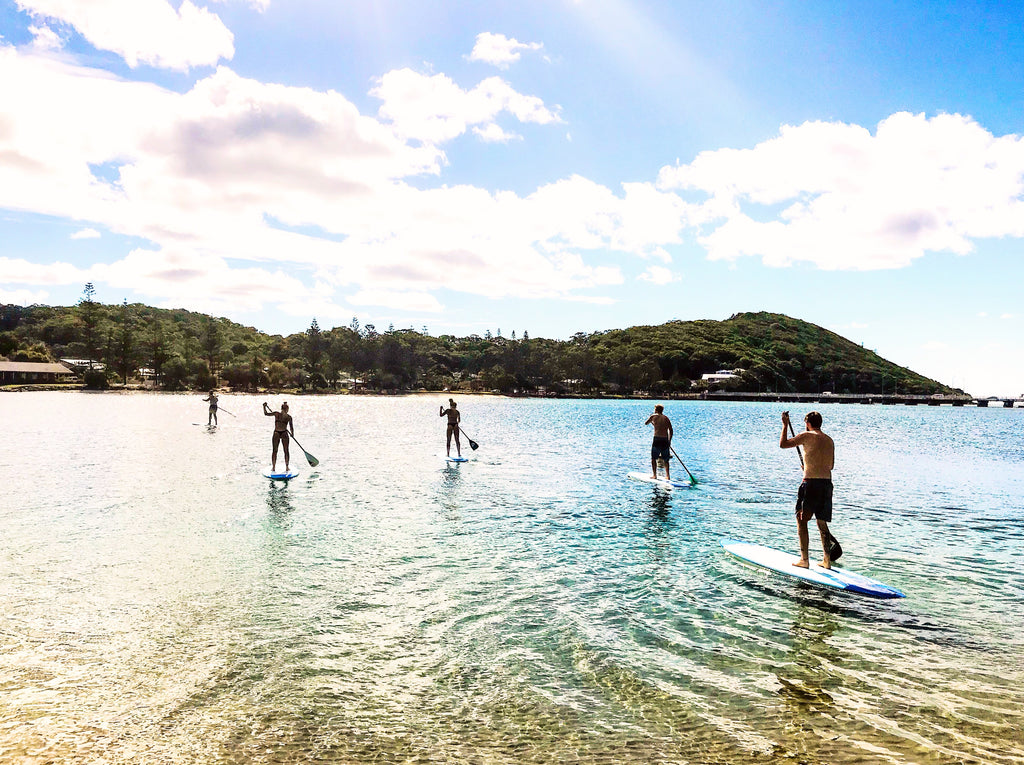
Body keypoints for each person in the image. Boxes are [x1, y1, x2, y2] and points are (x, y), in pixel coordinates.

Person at [780, 411, 835, 569]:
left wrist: (785, 425)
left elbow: (783, 444)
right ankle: (827, 561)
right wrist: (811, 464)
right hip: (826, 484)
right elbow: (830, 465)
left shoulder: (806, 435)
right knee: (821, 522)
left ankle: (804, 559)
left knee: (801, 519)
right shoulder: (829, 440)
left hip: (810, 483)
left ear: (808, 423)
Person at [644, 404, 673, 480]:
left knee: (653, 458)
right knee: (666, 459)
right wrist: (669, 441)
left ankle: (654, 475)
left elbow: (646, 423)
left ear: (656, 410)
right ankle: (668, 476)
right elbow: (671, 430)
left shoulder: (653, 416)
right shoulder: (666, 418)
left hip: (657, 439)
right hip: (665, 439)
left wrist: (651, 421)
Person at [263, 401, 294, 472]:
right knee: (285, 451)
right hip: (282, 433)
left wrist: (264, 407)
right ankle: (286, 467)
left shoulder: (277, 414)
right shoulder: (288, 417)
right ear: (287, 409)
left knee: (276, 451)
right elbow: (291, 428)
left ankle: (275, 467)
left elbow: (266, 413)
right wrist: (292, 434)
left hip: (279, 433)